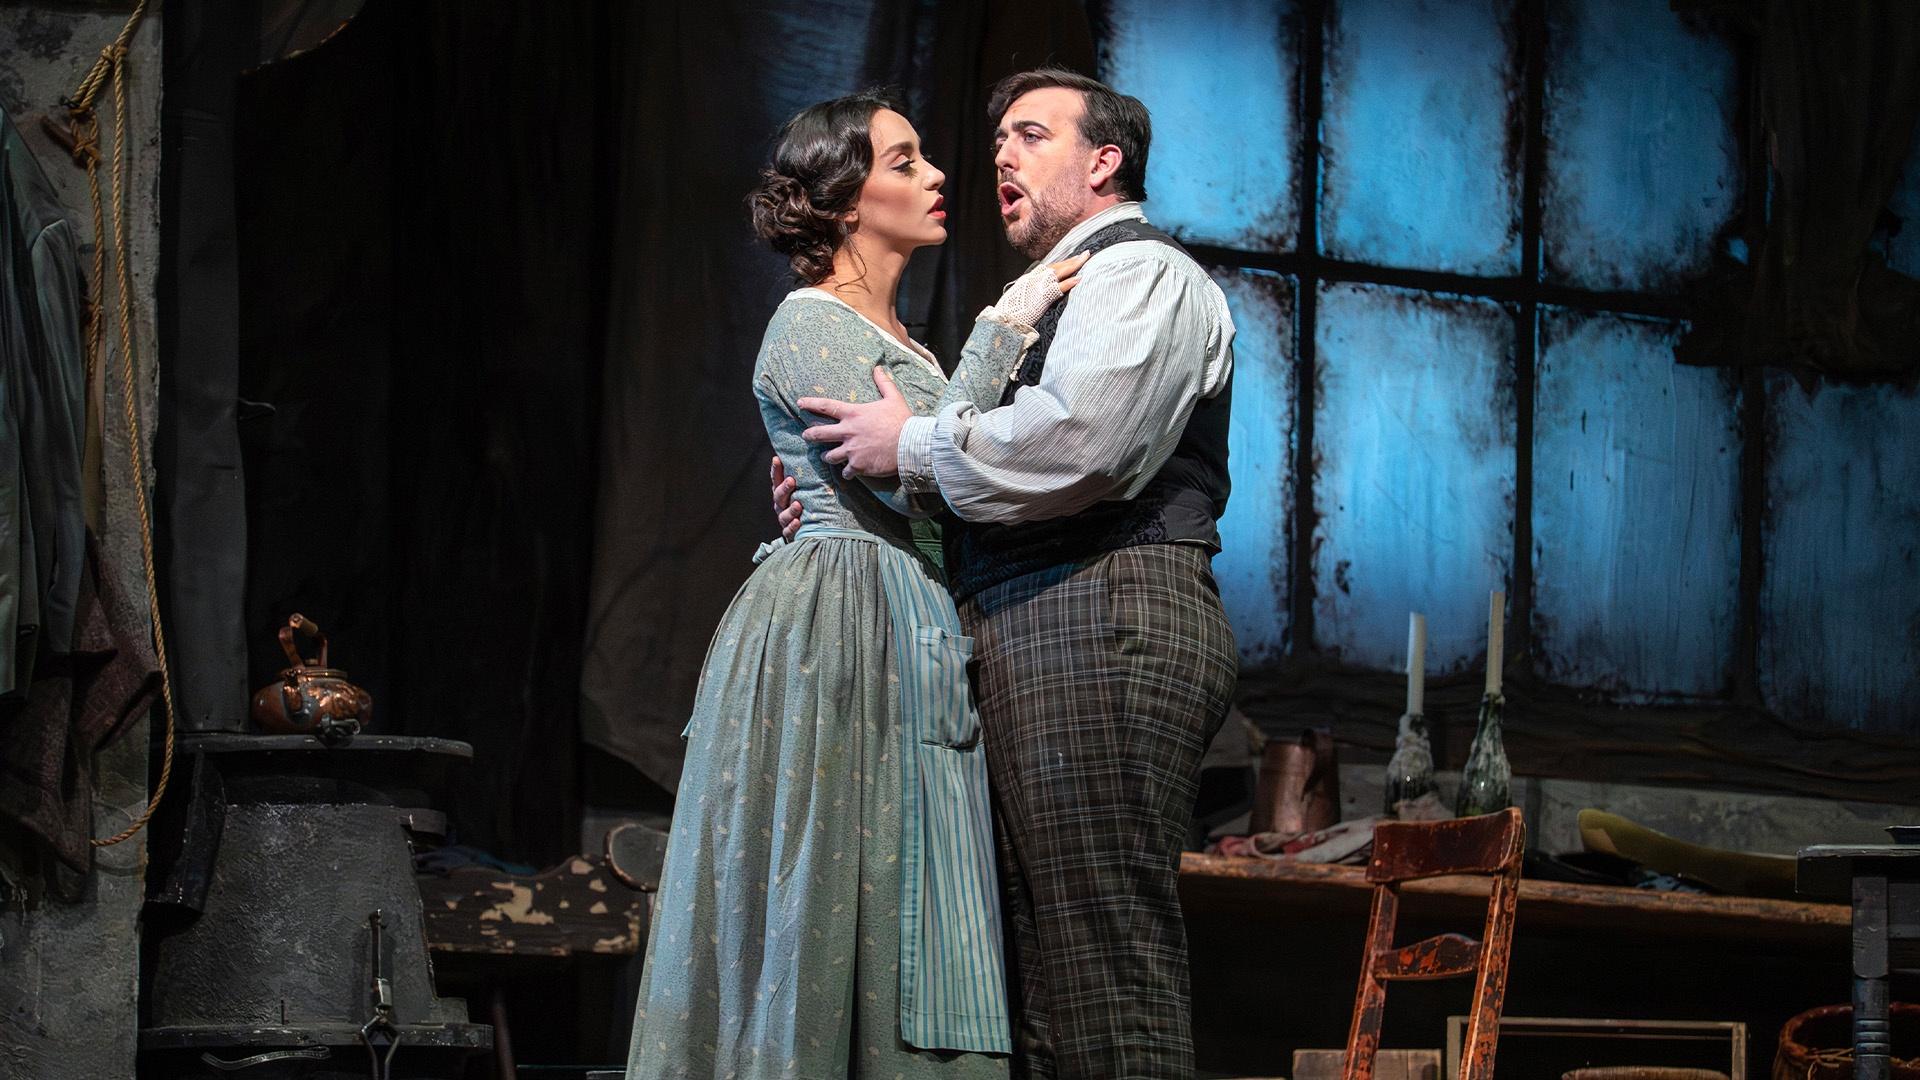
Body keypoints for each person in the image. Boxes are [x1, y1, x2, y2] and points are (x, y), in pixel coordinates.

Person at [625, 89, 1087, 1079]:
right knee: (835, 871)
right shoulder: (810, 325)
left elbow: (933, 461)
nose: (937, 176)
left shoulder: (907, 346)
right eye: (904, 161)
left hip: (905, 614)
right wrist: (1005, 330)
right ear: (842, 201)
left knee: (905, 883)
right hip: (843, 627)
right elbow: (923, 475)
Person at [791, 68, 1239, 1079]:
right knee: (1042, 985)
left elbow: (1078, 446)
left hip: (1103, 611)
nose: (1001, 153)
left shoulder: (1140, 272)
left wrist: (910, 447)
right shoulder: (1058, 296)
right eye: (998, 137)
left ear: (1104, 161)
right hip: (1041, 618)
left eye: (1032, 135)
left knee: (1101, 973)